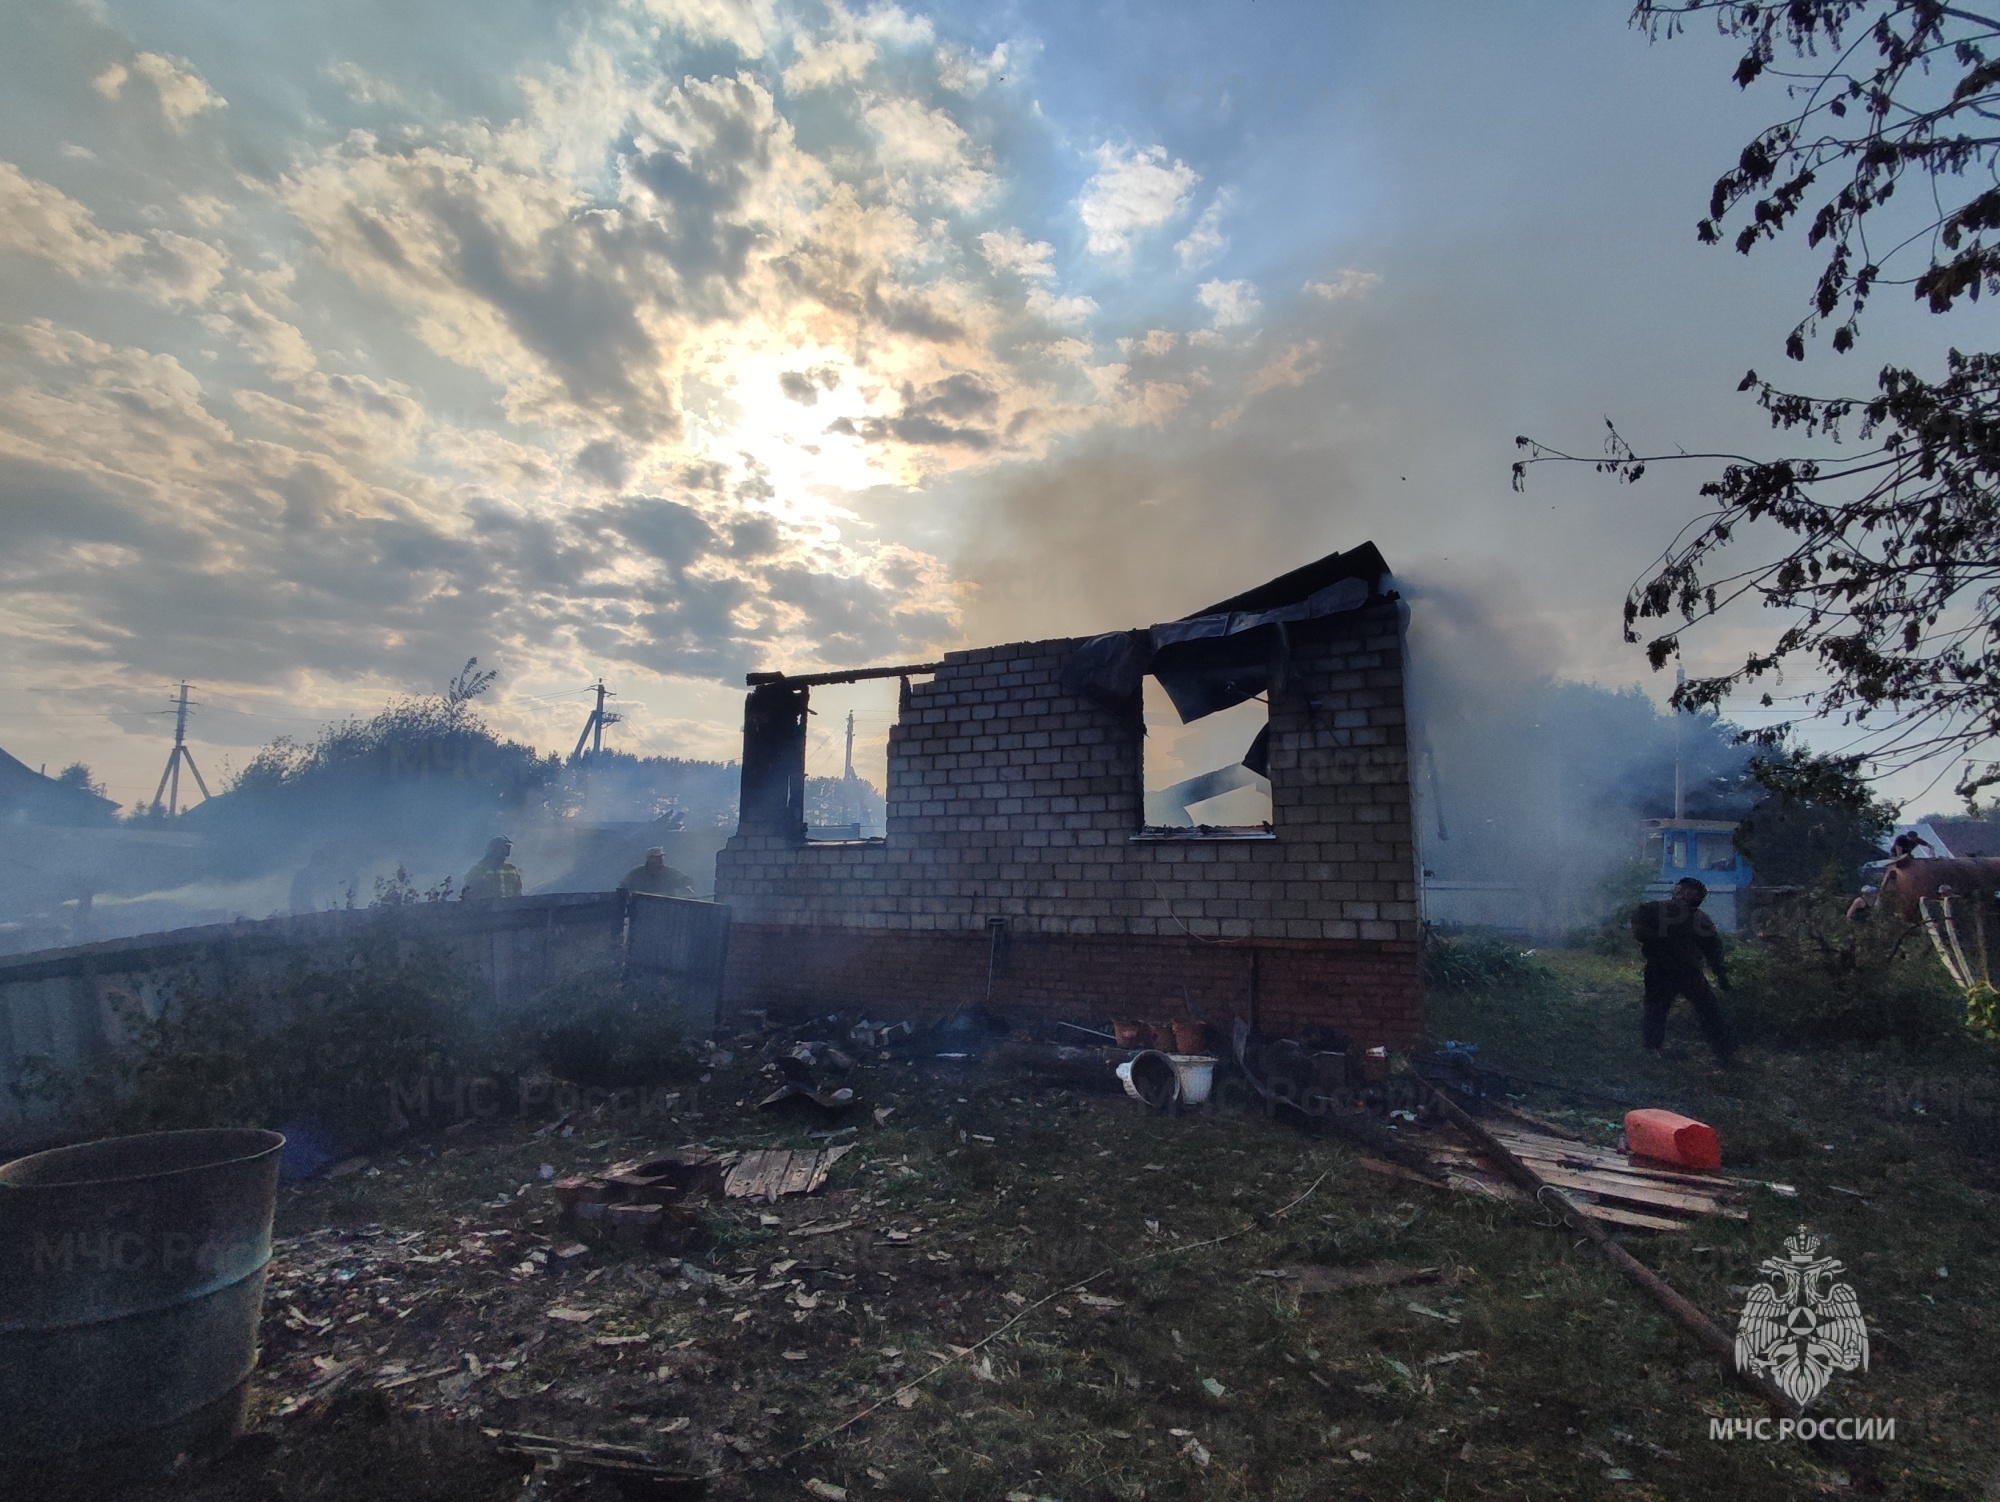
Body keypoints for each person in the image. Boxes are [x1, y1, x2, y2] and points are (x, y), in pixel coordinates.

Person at [1629, 876, 1736, 1063]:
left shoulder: (1696, 918)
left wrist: (1721, 975)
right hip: (1663, 969)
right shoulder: (1656, 910)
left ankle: (1725, 1052)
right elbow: (1639, 929)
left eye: (1690, 893)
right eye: (1684, 891)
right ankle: (1653, 1049)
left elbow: (1713, 949)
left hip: (1684, 971)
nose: (1685, 895)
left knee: (1707, 1010)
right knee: (1658, 1010)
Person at [619, 846, 696, 898]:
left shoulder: (670, 872)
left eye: (661, 857)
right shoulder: (636, 873)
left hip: (666, 907)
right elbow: (623, 887)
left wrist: (687, 887)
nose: (660, 859)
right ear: (649, 859)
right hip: (641, 908)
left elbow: (685, 880)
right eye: (656, 857)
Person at [462, 835, 523, 901]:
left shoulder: (511, 870)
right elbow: (468, 894)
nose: (505, 852)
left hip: (510, 907)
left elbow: (518, 892)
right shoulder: (478, 870)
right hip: (486, 907)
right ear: (493, 850)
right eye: (502, 849)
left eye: (507, 849)